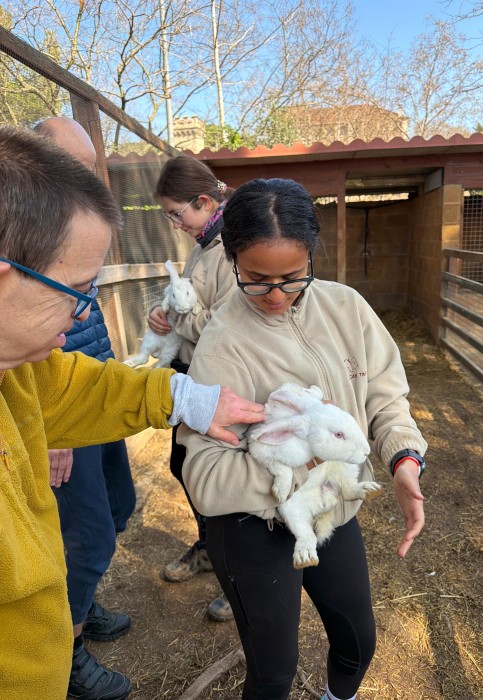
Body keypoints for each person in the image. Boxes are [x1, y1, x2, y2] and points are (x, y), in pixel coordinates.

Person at [0, 124, 264, 700]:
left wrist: (181, 397)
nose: (83, 313)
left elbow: (65, 386)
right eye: (77, 289)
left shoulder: (15, 368)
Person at [178, 178, 428, 700]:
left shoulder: (346, 308)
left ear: (312, 253)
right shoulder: (221, 344)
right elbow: (203, 472)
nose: (275, 295)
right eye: (256, 279)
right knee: (274, 670)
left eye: (292, 277)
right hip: (253, 525)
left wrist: (403, 456)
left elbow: (384, 395)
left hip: (329, 511)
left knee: (358, 641)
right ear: (232, 260)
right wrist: (300, 465)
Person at [34, 116, 136, 700]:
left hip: (93, 402)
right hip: (62, 420)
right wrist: (52, 430)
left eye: (93, 168)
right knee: (86, 537)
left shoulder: (73, 226)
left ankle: (82, 604)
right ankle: (67, 659)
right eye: (79, 168)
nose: (91, 179)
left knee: (119, 506)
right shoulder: (29, 232)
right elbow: (26, 347)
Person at [147, 155, 237, 621]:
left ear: (203, 201)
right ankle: (210, 547)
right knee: (184, 466)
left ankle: (237, 570)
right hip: (189, 375)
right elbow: (186, 301)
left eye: (176, 213)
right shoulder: (203, 243)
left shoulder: (232, 248)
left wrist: (178, 318)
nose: (174, 223)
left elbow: (223, 326)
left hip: (217, 382)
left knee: (217, 475)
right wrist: (162, 313)